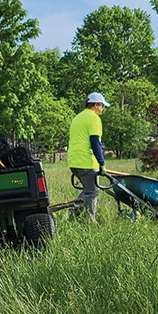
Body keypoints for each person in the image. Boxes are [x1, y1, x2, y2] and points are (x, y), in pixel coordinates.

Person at [67, 92, 110, 222]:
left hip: (73, 161)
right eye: (102, 106)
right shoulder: (94, 118)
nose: (102, 109)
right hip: (86, 161)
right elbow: (95, 142)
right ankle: (89, 221)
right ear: (96, 105)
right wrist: (101, 163)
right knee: (92, 192)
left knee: (87, 190)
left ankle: (73, 215)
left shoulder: (78, 117)